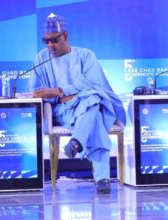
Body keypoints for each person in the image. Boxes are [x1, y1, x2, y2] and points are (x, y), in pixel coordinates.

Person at [28, 13, 126, 193]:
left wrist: (59, 90)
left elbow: (93, 83)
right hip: (61, 111)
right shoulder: (40, 59)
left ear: (65, 36)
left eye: (54, 40)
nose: (50, 45)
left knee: (92, 101)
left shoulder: (86, 55)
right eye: (46, 41)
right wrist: (58, 96)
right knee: (92, 103)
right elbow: (37, 92)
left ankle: (77, 142)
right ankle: (101, 177)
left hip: (85, 107)